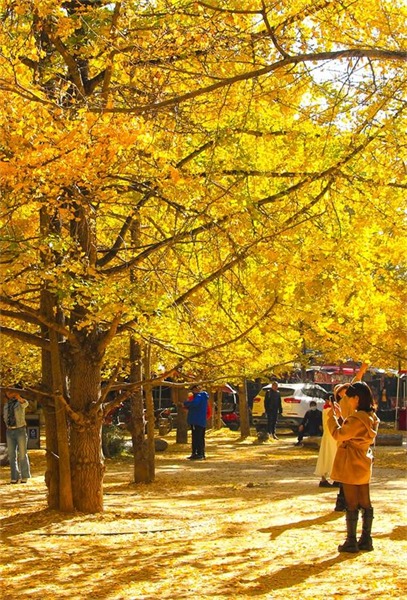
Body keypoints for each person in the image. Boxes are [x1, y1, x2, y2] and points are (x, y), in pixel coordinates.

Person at [328, 382, 379, 553]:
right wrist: (342, 418)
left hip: (351, 460)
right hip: (363, 459)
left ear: (356, 398)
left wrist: (332, 419)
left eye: (349, 398)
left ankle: (351, 541)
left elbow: (340, 435)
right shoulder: (371, 416)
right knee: (365, 500)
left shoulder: (357, 418)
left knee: (351, 502)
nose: (347, 401)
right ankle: (366, 538)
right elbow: (355, 433)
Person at [3, 388, 31, 483]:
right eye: (8, 392)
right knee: (11, 455)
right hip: (9, 431)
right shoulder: (6, 405)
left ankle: (24, 476)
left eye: (11, 391)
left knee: (22, 454)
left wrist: (19, 397)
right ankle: (14, 477)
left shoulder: (20, 403)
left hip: (20, 430)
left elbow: (25, 404)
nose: (9, 393)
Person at [314, 394, 339, 487]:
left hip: (327, 435)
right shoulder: (329, 410)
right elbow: (336, 418)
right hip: (331, 434)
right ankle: (334, 478)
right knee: (332, 455)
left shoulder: (325, 409)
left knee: (326, 455)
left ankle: (325, 478)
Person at [184, 385, 209, 460]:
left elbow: (194, 404)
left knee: (197, 437)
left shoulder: (199, 396)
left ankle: (199, 453)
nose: (192, 392)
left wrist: (186, 403)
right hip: (199, 420)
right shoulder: (203, 397)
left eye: (193, 390)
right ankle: (196, 453)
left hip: (196, 420)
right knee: (198, 437)